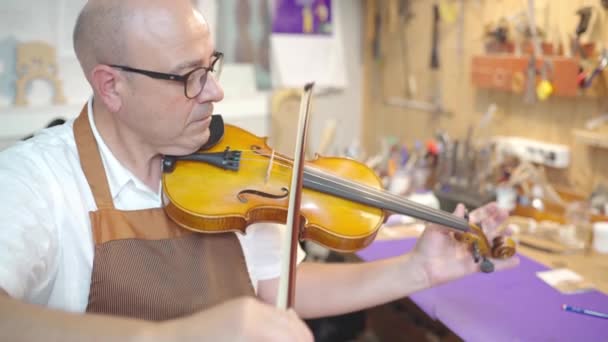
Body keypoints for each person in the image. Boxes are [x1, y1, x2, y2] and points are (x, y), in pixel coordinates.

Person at [0, 0, 519, 341]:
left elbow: (278, 285)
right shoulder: (35, 181)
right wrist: (174, 336)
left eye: (212, 65)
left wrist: (418, 270)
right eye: (188, 77)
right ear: (111, 86)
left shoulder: (230, 167)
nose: (215, 92)